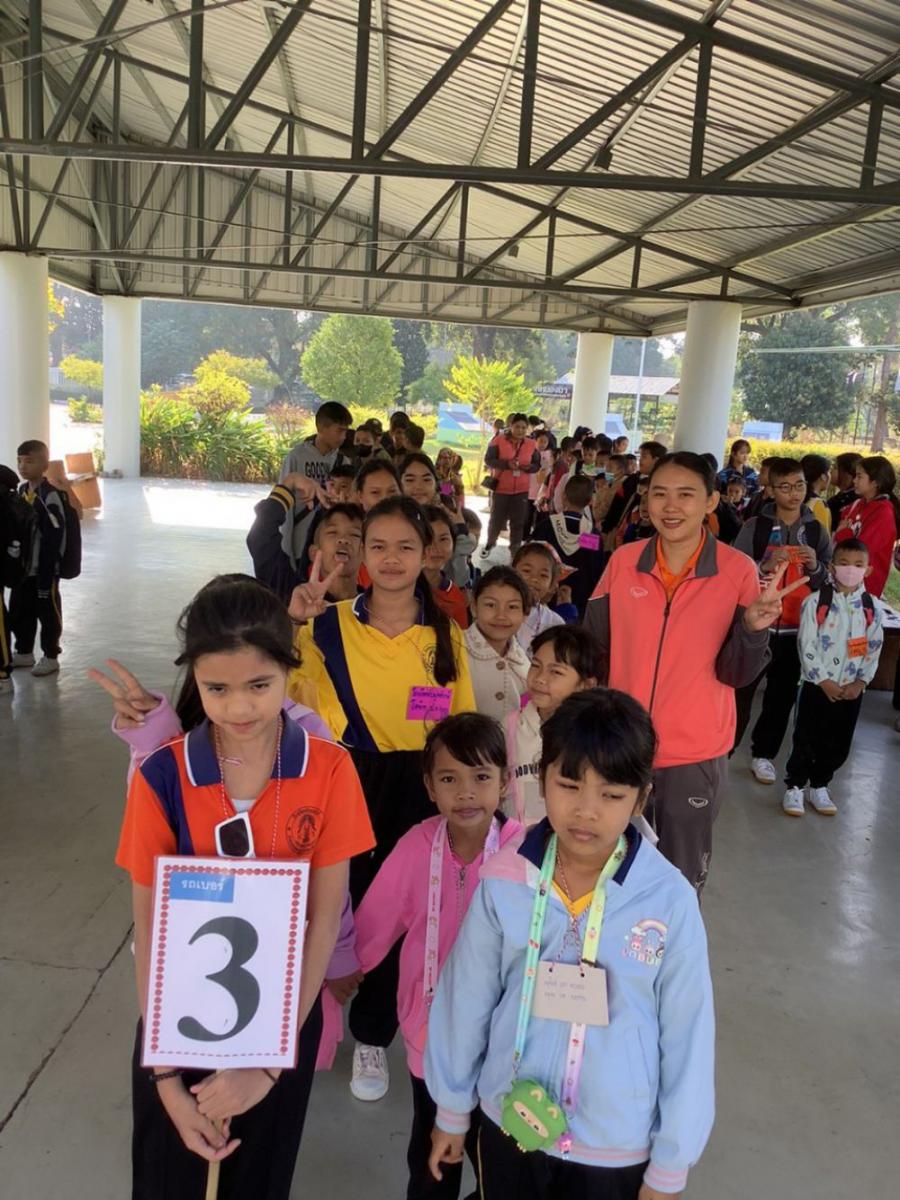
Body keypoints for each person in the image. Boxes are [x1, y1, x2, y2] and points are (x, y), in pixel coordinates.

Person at [114, 574, 375, 1200]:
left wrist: (268, 1063)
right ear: (195, 680)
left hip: (283, 1025)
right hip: (177, 1024)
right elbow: (150, 926)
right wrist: (167, 1078)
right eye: (217, 689)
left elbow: (322, 918)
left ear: (289, 669)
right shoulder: (164, 775)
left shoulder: (330, 768)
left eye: (259, 685)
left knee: (259, 1180)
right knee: (170, 1182)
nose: (239, 708)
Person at [426, 688, 715, 1200]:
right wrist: (451, 1107)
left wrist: (671, 1163)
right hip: (509, 1117)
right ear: (542, 780)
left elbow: (688, 1035)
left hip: (614, 1144)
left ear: (641, 799)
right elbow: (465, 998)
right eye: (569, 785)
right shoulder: (506, 880)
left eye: (612, 795)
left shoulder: (668, 901)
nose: (586, 811)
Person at [288, 495, 476, 1105]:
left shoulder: (444, 634)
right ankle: (316, 1019)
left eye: (405, 547)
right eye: (378, 546)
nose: (391, 559)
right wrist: (290, 625)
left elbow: (457, 726)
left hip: (416, 788)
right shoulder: (325, 624)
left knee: (400, 913)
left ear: (428, 554)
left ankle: (372, 1032)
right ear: (360, 554)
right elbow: (282, 694)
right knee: (331, 902)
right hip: (343, 777)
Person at [585, 452, 801, 894]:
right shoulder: (624, 562)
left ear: (711, 501)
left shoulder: (736, 571)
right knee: (605, 876)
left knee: (678, 883)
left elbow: (737, 674)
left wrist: (752, 629)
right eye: (659, 494)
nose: (670, 506)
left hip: (694, 755)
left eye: (686, 495)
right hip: (620, 747)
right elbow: (592, 652)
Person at [351, 713, 523, 1200]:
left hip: (501, 1044)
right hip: (430, 1040)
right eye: (449, 779)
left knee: (499, 1167)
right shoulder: (416, 845)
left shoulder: (525, 854)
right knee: (432, 1162)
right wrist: (342, 970)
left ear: (505, 782)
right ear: (429, 786)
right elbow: (375, 921)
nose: (465, 793)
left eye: (481, 777)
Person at [733, 458, 832, 783]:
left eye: (799, 485)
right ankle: (724, 748)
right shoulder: (755, 527)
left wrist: (815, 566)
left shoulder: (816, 530)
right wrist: (763, 565)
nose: (794, 493)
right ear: (771, 490)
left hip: (795, 629)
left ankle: (764, 754)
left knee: (781, 696)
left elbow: (828, 581)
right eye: (785, 487)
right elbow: (735, 573)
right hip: (755, 626)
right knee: (741, 691)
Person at [782, 538, 884, 818]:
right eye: (844, 563)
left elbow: (874, 648)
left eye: (858, 565)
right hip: (817, 686)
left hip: (851, 690)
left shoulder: (872, 608)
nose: (851, 570)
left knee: (838, 741)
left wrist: (860, 682)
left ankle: (820, 784)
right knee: (806, 737)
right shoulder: (816, 602)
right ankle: (795, 786)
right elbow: (806, 644)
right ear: (831, 566)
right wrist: (823, 680)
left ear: (868, 570)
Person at [505, 626, 604, 826]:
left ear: (586, 685)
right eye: (535, 665)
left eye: (556, 671)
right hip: (517, 837)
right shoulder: (510, 726)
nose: (539, 678)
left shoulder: (597, 736)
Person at [8, 440, 67, 678]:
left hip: (44, 570)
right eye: (20, 461)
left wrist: (48, 570)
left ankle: (51, 656)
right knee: (20, 611)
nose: (23, 466)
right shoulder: (22, 492)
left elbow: (55, 538)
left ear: (44, 465)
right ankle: (24, 651)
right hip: (24, 569)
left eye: (30, 461)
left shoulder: (50, 496)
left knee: (48, 612)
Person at [279, 401, 353, 560]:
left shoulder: (344, 461)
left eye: (345, 431)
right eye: (339, 430)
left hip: (329, 547)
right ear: (321, 427)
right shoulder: (296, 457)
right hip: (299, 544)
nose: (343, 437)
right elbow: (284, 506)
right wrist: (285, 550)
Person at [246, 474, 332, 601]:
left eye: (354, 534)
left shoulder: (364, 601)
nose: (344, 541)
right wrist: (289, 483)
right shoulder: (294, 593)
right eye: (333, 533)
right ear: (314, 552)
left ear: (362, 549)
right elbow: (261, 537)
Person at [464, 566, 531, 720]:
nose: (501, 616)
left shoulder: (525, 664)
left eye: (512, 607)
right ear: (474, 608)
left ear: (525, 614)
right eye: (490, 605)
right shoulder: (450, 650)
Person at [533, 475, 603, 616]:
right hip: (577, 597)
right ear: (590, 501)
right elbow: (593, 568)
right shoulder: (589, 534)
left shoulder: (547, 526)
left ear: (564, 496)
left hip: (545, 593)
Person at [834, 455, 900, 598]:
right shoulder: (858, 504)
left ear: (875, 482)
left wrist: (843, 533)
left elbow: (863, 551)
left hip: (865, 587)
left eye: (859, 477)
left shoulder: (883, 513)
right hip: (843, 582)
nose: (854, 481)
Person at [482, 414, 540, 558]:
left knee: (518, 522)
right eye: (517, 427)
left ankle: (515, 550)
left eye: (524, 428)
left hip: (522, 489)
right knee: (496, 519)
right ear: (511, 426)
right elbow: (489, 460)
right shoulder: (499, 440)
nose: (520, 430)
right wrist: (506, 464)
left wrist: (529, 468)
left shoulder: (531, 444)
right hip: (501, 488)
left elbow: (537, 464)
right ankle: (490, 542)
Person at [422, 505, 470, 629]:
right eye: (426, 539)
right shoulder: (392, 588)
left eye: (443, 539)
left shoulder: (455, 597)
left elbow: (459, 637)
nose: (435, 547)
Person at [512, 542, 565, 650]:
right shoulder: (495, 608)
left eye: (543, 575)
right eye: (527, 571)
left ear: (551, 584)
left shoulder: (555, 624)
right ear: (512, 571)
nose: (534, 579)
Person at [827, 451, 862, 529]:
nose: (830, 471)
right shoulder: (840, 497)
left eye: (835, 468)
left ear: (847, 474)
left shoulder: (855, 501)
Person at [800, 453, 832, 533]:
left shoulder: (797, 499)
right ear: (823, 477)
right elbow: (824, 537)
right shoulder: (818, 505)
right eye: (829, 472)